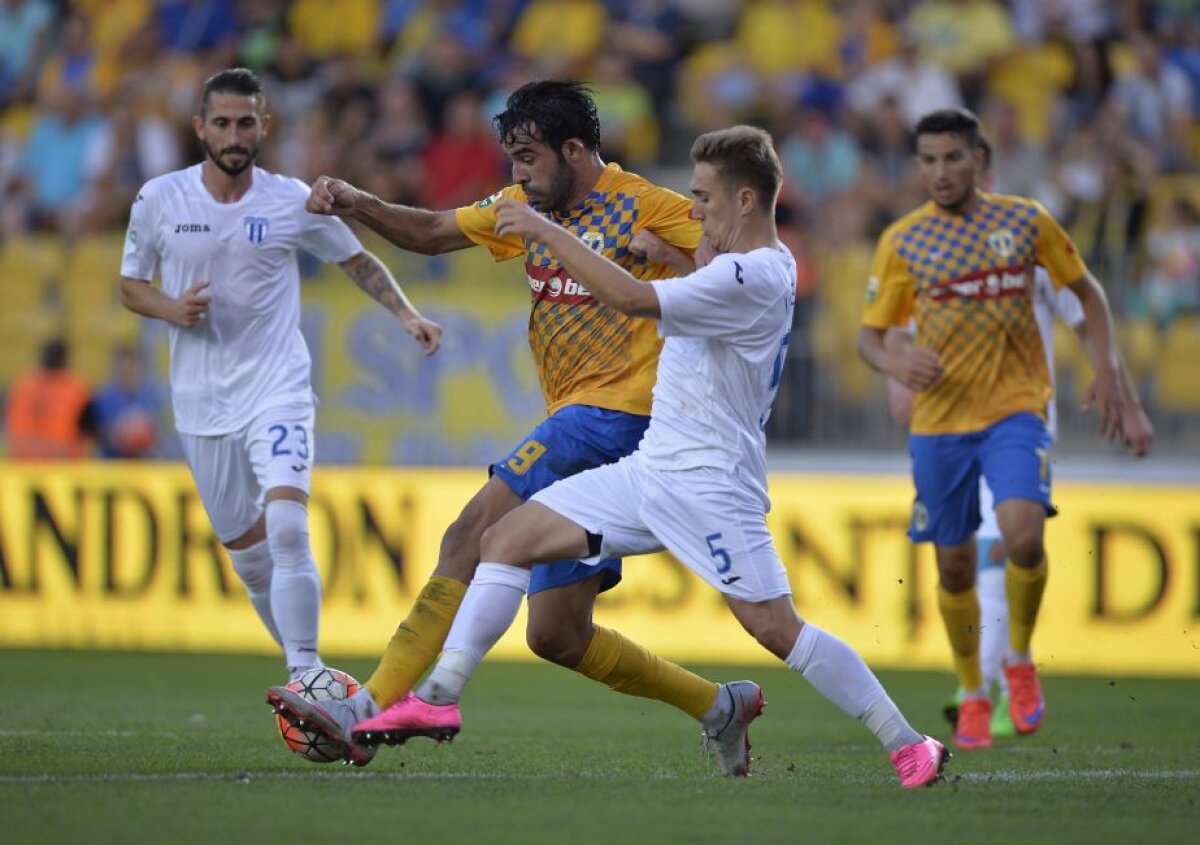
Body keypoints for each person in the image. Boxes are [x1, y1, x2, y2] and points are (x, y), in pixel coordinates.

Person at [276, 124, 950, 789]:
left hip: (710, 485)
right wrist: (673, 258)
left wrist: (544, 231)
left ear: (745, 200)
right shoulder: (743, 268)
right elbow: (707, 296)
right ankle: (439, 695)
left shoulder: (753, 272)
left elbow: (631, 297)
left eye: (704, 198)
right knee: (504, 540)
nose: (694, 211)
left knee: (777, 628)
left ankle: (907, 742)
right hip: (648, 469)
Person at [269, 80, 720, 769]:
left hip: (617, 415)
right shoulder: (522, 205)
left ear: (575, 149)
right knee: (558, 635)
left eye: (530, 157)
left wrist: (674, 255)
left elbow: (734, 274)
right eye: (512, 157)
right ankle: (719, 705)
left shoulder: (647, 204)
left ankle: (368, 705)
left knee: (469, 534)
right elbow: (431, 233)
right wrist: (360, 202)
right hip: (582, 422)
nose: (518, 172)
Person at [118, 68, 442, 681]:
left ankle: (307, 674)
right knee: (250, 559)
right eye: (222, 123)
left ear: (264, 126)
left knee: (288, 527)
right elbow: (131, 285)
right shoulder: (159, 198)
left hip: (278, 388)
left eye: (245, 123)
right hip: (201, 402)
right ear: (200, 128)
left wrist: (407, 314)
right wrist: (171, 309)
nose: (233, 136)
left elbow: (356, 259)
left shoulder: (291, 199)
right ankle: (307, 675)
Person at [858, 108, 1153, 752]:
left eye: (952, 158)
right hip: (939, 423)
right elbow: (872, 337)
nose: (940, 172)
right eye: (928, 160)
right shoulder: (904, 240)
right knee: (955, 566)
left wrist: (1110, 376)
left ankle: (1017, 660)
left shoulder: (1026, 223)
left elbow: (1088, 297)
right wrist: (894, 365)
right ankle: (972, 690)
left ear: (979, 160)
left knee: (1021, 535)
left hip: (1016, 412)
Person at [5, 337, 96, 459]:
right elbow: (89, 430)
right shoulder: (77, 389)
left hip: (23, 461)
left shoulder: (21, 385)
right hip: (62, 462)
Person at [92, 344, 164, 459]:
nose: (129, 371)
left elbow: (156, 435)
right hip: (114, 463)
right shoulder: (105, 398)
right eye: (125, 368)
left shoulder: (150, 397)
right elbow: (101, 435)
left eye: (133, 367)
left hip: (143, 463)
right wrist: (125, 434)